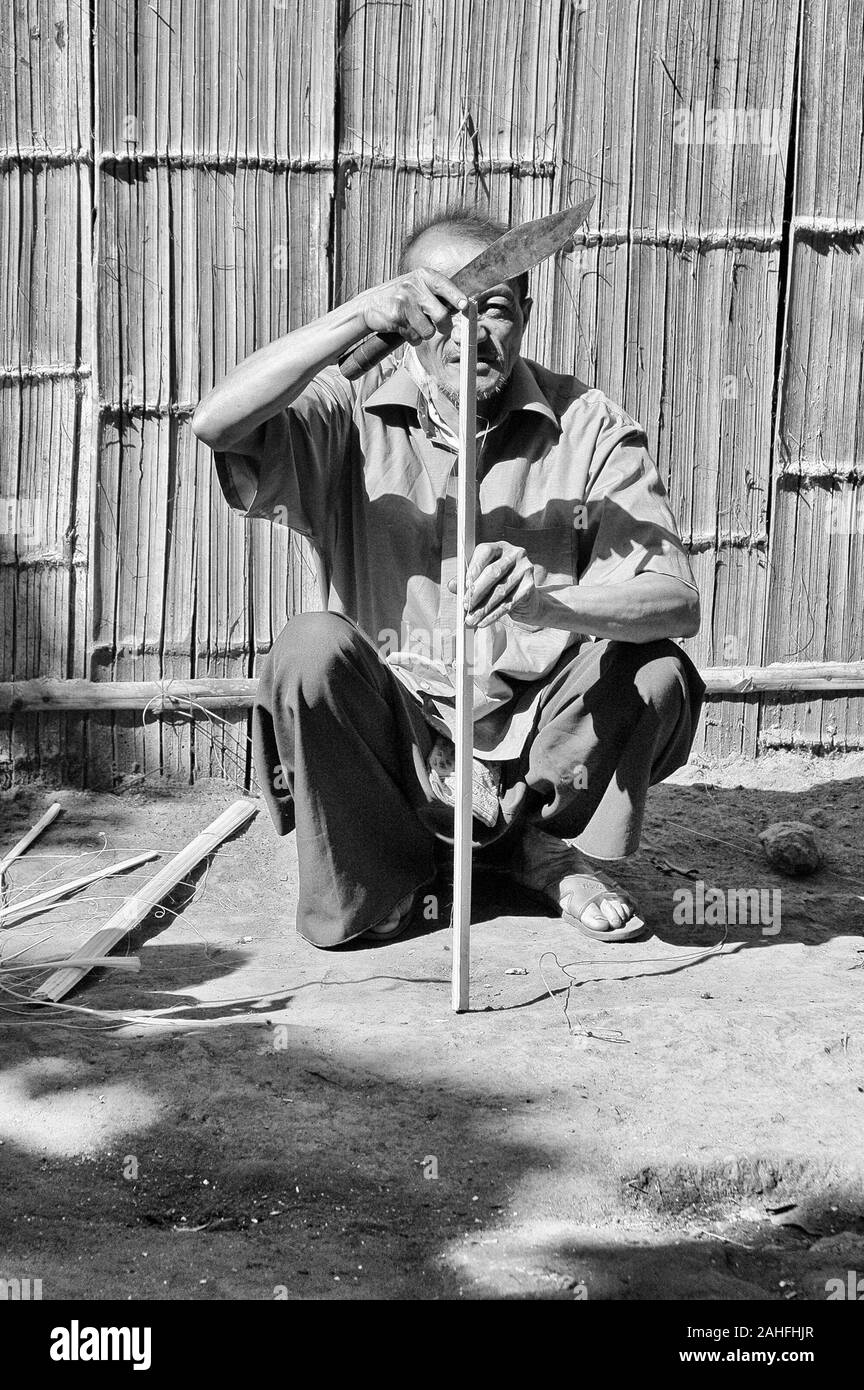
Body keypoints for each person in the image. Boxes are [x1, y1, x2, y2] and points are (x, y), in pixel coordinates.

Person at [192, 212, 704, 949]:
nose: (472, 335)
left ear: (525, 313)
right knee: (308, 649)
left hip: (537, 739)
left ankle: (536, 846)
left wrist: (547, 601)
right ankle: (393, 870)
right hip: (400, 737)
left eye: (495, 308)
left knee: (655, 669)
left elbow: (677, 602)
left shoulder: (586, 424)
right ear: (408, 322)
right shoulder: (349, 412)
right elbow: (216, 423)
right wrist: (358, 316)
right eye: (445, 313)